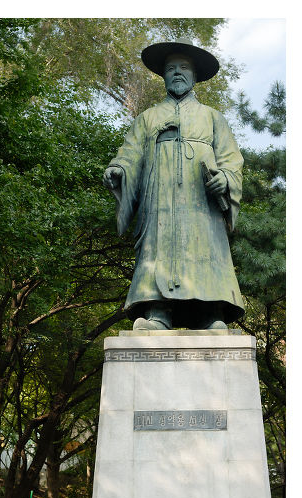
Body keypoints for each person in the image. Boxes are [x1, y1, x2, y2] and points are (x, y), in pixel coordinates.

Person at [103, 38, 245, 330]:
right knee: (158, 251)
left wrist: (225, 179)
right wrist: (119, 169)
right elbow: (130, 154)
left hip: (201, 204)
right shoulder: (147, 118)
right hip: (159, 202)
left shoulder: (212, 117)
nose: (177, 72)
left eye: (183, 68)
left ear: (194, 76)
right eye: (170, 68)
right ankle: (158, 314)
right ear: (163, 75)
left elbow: (232, 161)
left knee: (205, 249)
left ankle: (211, 313)